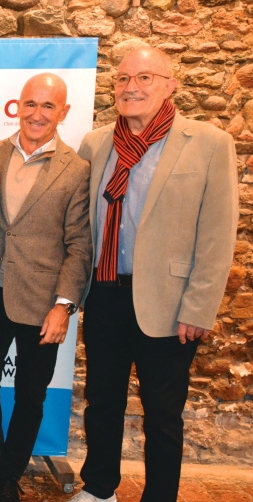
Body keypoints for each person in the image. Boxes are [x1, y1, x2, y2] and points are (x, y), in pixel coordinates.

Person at [69, 46, 238, 501]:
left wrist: (199, 307)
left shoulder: (208, 142)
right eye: (123, 79)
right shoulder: (96, 142)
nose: (131, 87)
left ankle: (160, 495)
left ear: (170, 84)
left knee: (163, 413)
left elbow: (218, 234)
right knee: (102, 401)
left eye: (145, 77)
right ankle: (99, 488)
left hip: (170, 302)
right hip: (104, 294)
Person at [0, 74, 93, 501]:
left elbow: (79, 245)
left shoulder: (77, 170)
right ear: (16, 106)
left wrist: (64, 306)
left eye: (48, 106)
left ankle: (10, 474)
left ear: (63, 112)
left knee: (30, 394)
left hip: (42, 303)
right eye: (30, 104)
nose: (38, 114)